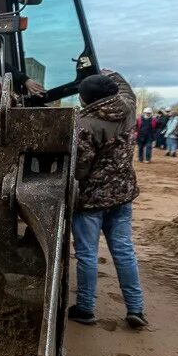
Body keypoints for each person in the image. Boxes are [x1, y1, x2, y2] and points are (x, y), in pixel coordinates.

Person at [68, 70, 147, 329]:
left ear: (85, 99)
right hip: (122, 196)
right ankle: (135, 308)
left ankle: (86, 308)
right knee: (124, 251)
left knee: (87, 255)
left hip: (91, 201)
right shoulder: (128, 108)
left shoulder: (85, 125)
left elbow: (80, 167)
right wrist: (112, 73)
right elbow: (127, 91)